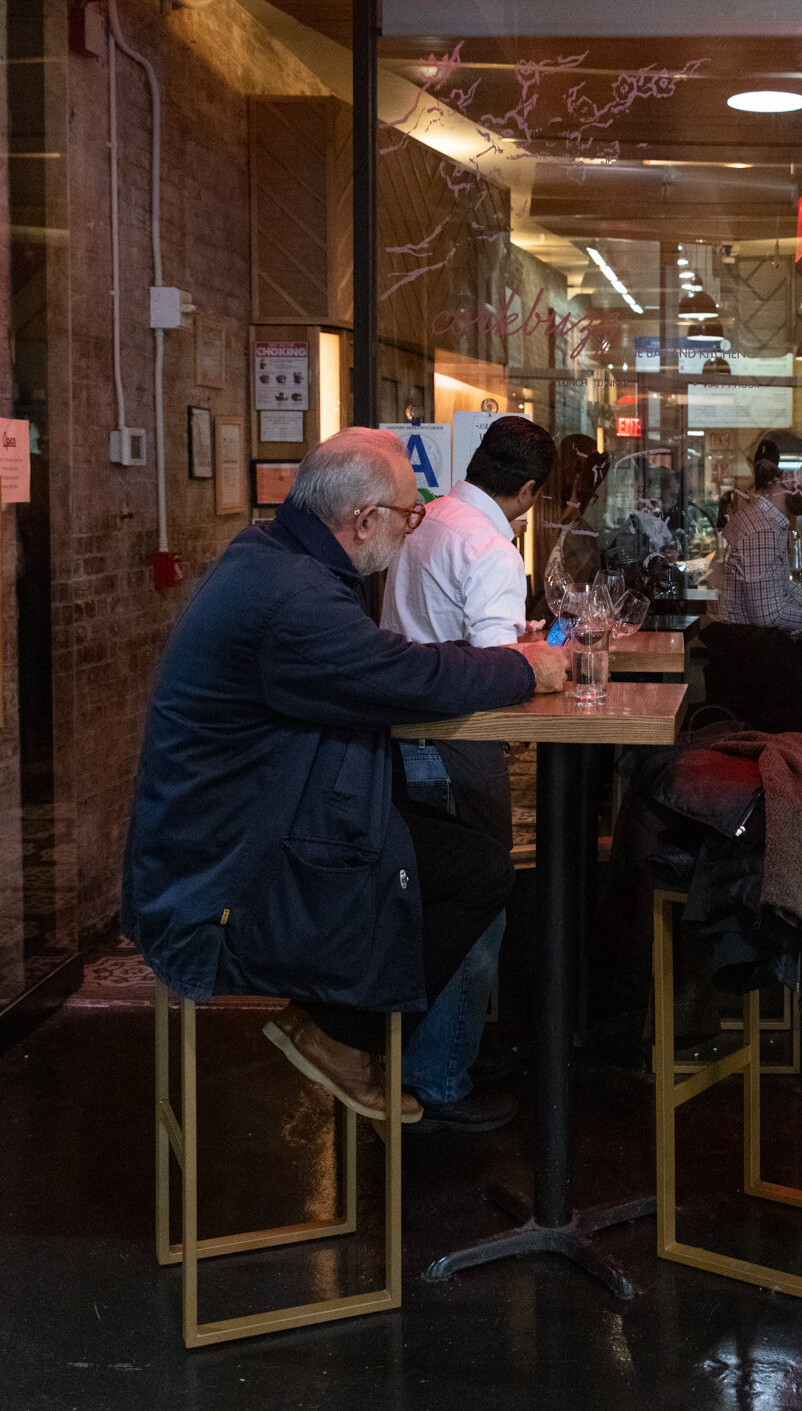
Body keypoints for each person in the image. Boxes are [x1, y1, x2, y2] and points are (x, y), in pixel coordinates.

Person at [122, 428, 567, 1127]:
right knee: (474, 869)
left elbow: (382, 663)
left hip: (243, 823)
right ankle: (339, 1033)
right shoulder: (295, 596)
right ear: (364, 520)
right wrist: (520, 667)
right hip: (223, 874)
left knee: (466, 861)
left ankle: (347, 1029)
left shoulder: (272, 557)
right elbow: (400, 673)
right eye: (406, 513)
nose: (414, 526)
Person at [380, 416, 558, 1130]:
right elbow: (500, 672)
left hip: (402, 736)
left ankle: (435, 1053)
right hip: (457, 742)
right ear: (528, 490)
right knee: (478, 904)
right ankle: (440, 1075)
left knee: (430, 902)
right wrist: (545, 663)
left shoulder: (428, 518)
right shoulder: (489, 547)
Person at [705, 438, 802, 732]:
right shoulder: (760, 529)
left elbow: (780, 587)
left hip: (749, 656)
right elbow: (767, 614)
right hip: (751, 665)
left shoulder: (762, 520)